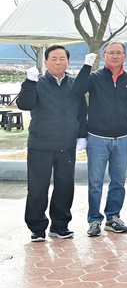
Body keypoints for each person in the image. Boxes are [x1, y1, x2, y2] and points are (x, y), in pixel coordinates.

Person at [19, 45, 90, 242]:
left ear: (68, 61)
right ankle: (37, 227)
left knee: (65, 186)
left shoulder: (75, 85)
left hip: (66, 146)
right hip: (40, 144)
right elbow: (25, 104)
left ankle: (60, 225)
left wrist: (81, 136)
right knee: (37, 188)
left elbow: (82, 112)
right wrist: (28, 82)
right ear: (46, 62)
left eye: (62, 58)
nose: (58, 62)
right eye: (54, 58)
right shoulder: (37, 83)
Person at [83, 41, 127, 237]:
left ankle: (113, 216)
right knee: (96, 183)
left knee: (118, 182)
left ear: (125, 56)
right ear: (104, 55)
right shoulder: (94, 77)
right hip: (97, 138)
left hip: (123, 138)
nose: (115, 56)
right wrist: (86, 66)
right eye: (110, 52)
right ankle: (94, 220)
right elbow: (78, 90)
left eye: (119, 53)